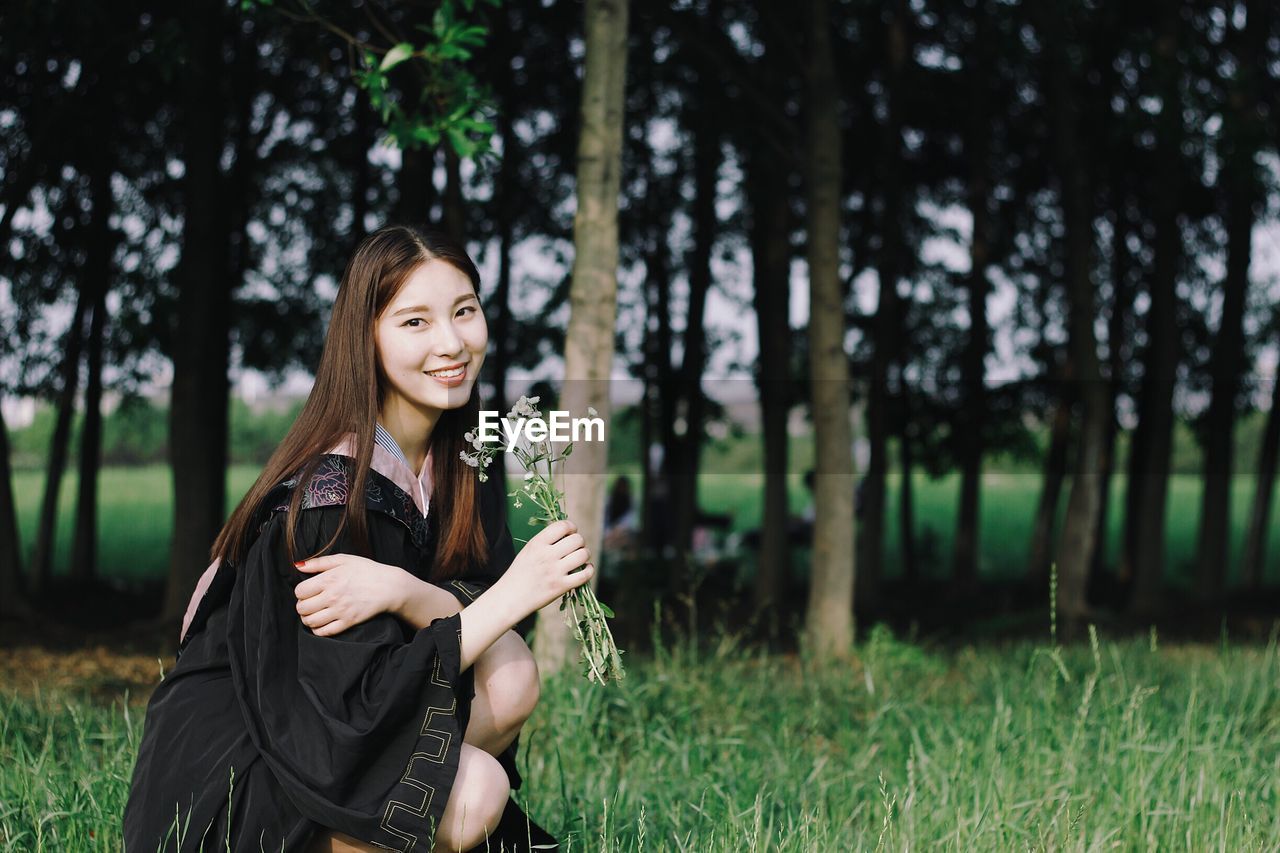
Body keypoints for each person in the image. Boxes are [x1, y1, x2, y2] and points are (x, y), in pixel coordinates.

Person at [123, 226, 595, 852]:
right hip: (243, 774)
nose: (451, 342)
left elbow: (483, 629)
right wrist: (514, 594)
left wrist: (406, 592)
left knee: (509, 672)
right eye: (414, 322)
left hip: (332, 748)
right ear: (365, 338)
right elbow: (345, 718)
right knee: (474, 787)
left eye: (464, 311)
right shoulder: (327, 498)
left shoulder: (462, 461)